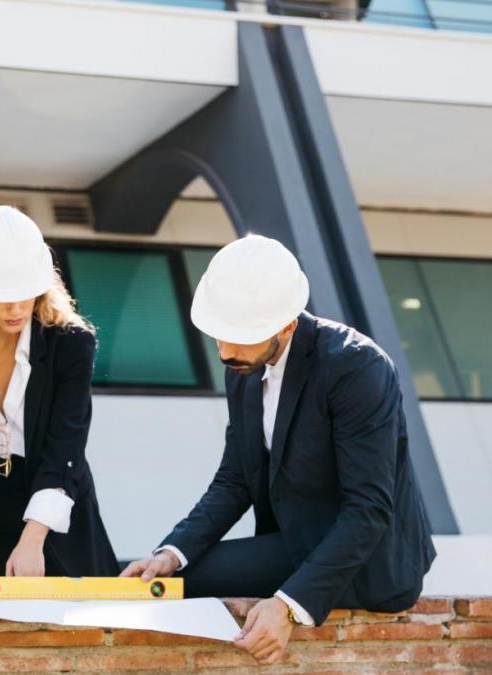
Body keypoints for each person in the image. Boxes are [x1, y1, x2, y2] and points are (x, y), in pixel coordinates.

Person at [121, 234, 436, 664]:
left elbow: (369, 509)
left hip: (370, 562)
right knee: (163, 582)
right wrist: (172, 552)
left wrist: (288, 605)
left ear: (286, 324)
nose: (225, 352)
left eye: (239, 337)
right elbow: (234, 480)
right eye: (220, 334)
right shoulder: (242, 368)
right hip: (293, 541)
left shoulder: (357, 367)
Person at [0, 206, 118, 598]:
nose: (16, 309)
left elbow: (66, 445)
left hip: (53, 503)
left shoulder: (71, 344)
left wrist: (33, 539)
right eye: (2, 297)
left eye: (24, 294)